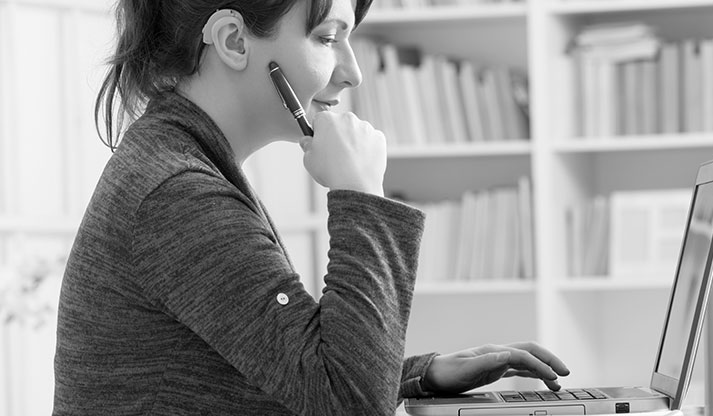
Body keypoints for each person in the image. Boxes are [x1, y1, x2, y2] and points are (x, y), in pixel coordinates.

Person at [52, 0, 570, 414]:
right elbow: (349, 404)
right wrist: (362, 195)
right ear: (234, 41)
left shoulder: (181, 164)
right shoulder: (177, 194)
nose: (352, 73)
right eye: (327, 38)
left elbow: (299, 378)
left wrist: (416, 376)